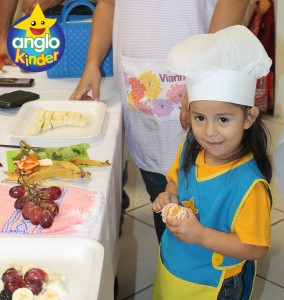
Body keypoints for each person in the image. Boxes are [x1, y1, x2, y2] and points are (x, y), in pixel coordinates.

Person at [70, 0, 251, 243]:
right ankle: (173, 266)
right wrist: (92, 63)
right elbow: (108, 4)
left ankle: (214, 273)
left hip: (204, 80)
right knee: (162, 195)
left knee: (210, 196)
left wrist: (203, 76)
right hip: (142, 88)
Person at [152, 25, 273, 299]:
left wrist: (201, 236)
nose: (209, 132)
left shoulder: (248, 186)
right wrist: (168, 194)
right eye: (199, 118)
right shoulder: (190, 148)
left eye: (223, 119)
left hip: (216, 284)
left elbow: (255, 248)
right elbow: (175, 179)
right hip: (175, 264)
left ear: (249, 117)